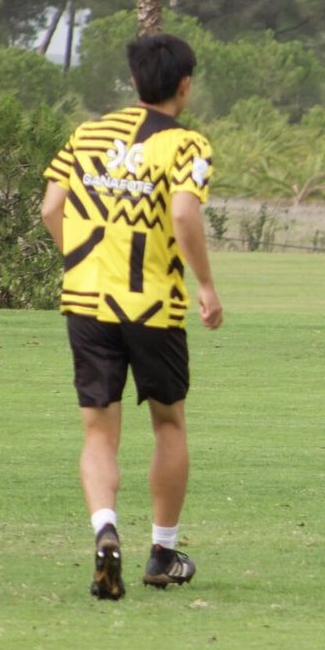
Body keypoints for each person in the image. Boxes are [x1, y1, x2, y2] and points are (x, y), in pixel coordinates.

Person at [40, 33, 224, 598]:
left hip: (87, 301)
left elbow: (51, 207)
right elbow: (186, 215)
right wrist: (208, 285)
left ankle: (104, 530)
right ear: (185, 85)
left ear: (135, 81)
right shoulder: (189, 145)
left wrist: (80, 260)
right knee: (168, 422)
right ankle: (163, 552)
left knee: (99, 431)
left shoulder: (86, 134)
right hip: (153, 306)